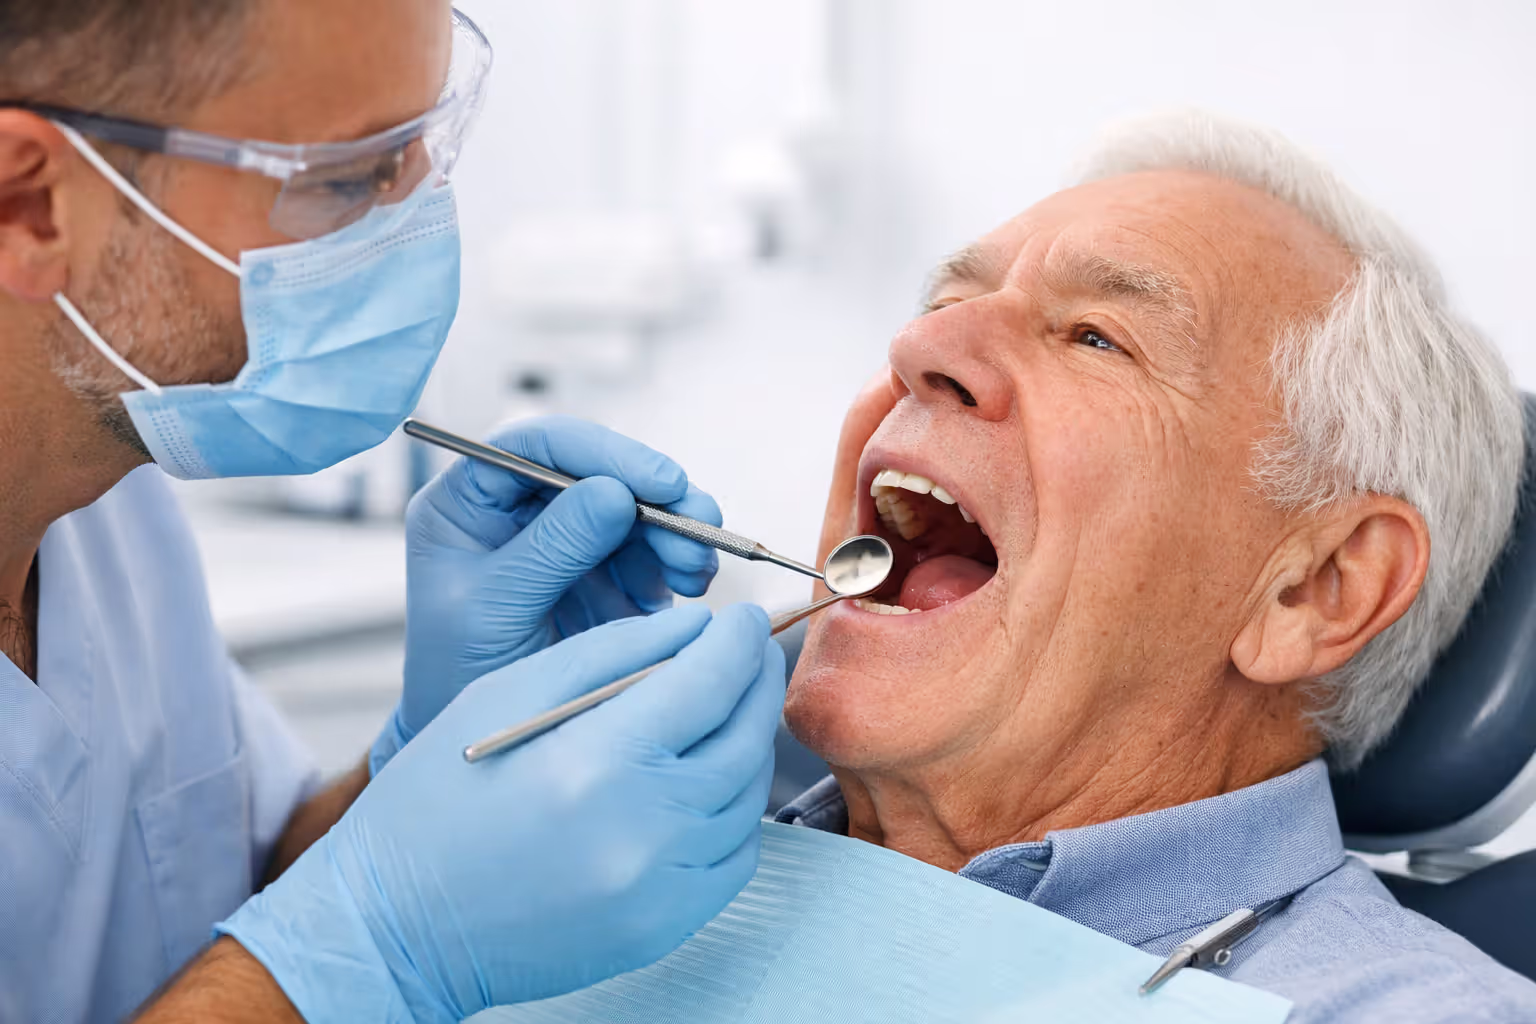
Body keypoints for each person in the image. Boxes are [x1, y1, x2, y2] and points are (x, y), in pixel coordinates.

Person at [0, 1, 785, 1022]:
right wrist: (382, 940)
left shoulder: (109, 499)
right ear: (31, 205)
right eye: (341, 178)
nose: (415, 217)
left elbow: (225, 893)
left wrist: (429, 755)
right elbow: (320, 940)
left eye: (427, 141)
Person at [777, 111, 1536, 1022]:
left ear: (1316, 588)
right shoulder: (620, 862)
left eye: (1096, 337)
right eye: (943, 307)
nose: (919, 348)